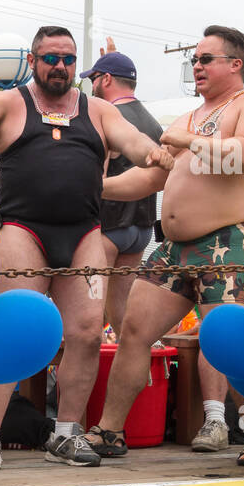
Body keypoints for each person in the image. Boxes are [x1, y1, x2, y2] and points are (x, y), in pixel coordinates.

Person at [0, 25, 169, 471]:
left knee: (86, 332)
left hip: (84, 231)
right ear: (34, 61)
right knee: (13, 327)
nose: (61, 66)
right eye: (51, 58)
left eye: (69, 59)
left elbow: (134, 142)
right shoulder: (12, 103)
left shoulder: (100, 110)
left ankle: (67, 433)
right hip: (22, 230)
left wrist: (154, 154)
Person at [84, 25, 244, 459]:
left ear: (236, 64)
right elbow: (153, 177)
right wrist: (98, 186)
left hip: (226, 241)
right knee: (134, 331)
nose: (196, 66)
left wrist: (191, 141)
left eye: (206, 59)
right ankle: (110, 430)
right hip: (172, 247)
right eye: (194, 59)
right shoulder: (186, 119)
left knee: (228, 338)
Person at [80, 46, 162, 331]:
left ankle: (92, 375)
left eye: (93, 79)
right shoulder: (152, 122)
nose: (91, 86)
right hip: (141, 228)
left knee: (89, 309)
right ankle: (125, 369)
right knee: (121, 314)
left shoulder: (105, 117)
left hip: (107, 227)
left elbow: (94, 176)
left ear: (105, 79)